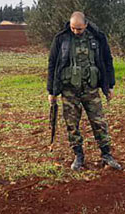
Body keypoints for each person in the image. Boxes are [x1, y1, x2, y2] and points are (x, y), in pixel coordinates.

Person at [47, 11, 121, 171]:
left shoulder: (97, 38)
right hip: (69, 91)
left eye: (79, 29)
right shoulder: (62, 39)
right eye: (73, 28)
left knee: (99, 122)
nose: (75, 31)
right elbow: (53, 63)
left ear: (86, 25)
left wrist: (109, 85)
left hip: (91, 89)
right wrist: (51, 91)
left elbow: (107, 61)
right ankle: (78, 156)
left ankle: (106, 154)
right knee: (72, 125)